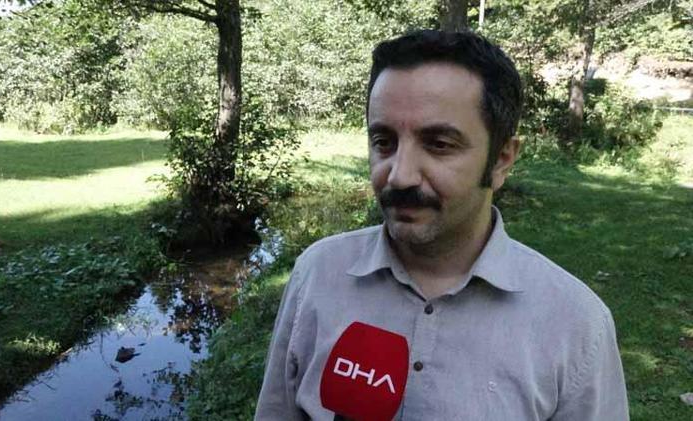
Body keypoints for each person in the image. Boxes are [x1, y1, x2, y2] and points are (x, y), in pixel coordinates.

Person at [255, 30, 628, 420]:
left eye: (438, 144)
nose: (399, 176)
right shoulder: (317, 273)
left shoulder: (577, 325)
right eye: (383, 142)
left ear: (502, 159)